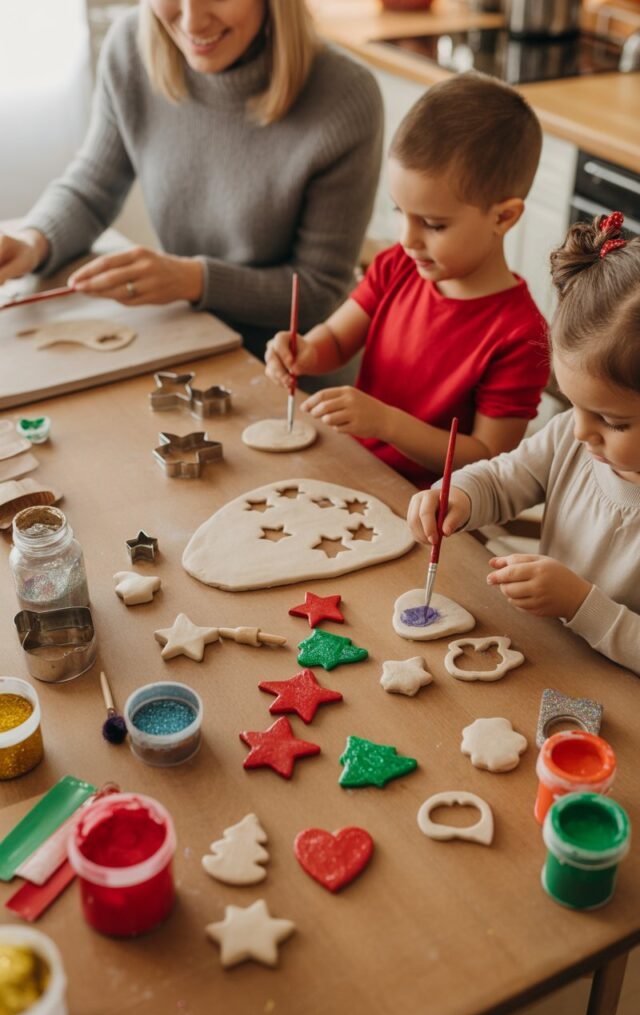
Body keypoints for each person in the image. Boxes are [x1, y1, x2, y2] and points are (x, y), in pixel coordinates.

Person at [0, 0, 383, 355]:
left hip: (293, 370)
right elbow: (92, 188)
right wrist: (33, 243)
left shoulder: (346, 96)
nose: (191, 21)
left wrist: (192, 280)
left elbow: (319, 291)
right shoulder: (129, 46)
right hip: (186, 336)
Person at [265, 73, 549, 487]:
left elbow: (487, 460)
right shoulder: (398, 264)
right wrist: (305, 351)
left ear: (503, 217)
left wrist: (387, 424)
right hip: (353, 471)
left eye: (433, 224)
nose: (407, 238)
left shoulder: (520, 336)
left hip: (427, 512)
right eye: (399, 211)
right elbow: (339, 339)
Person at [408, 213, 640, 676]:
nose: (579, 432)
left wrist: (580, 603)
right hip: (543, 657)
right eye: (572, 404)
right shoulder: (573, 441)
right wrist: (462, 494)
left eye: (612, 421)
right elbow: (504, 479)